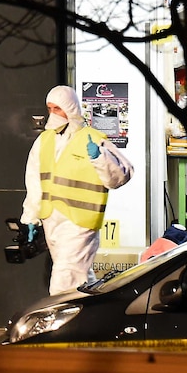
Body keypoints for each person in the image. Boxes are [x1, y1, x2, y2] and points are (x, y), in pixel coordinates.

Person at [20, 85, 134, 295]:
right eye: (50, 108)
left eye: (58, 109)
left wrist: (100, 158)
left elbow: (121, 176)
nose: (53, 114)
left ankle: (60, 324)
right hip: (51, 221)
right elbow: (35, 182)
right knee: (80, 279)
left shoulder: (92, 139)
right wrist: (30, 218)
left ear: (71, 108)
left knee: (65, 281)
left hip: (80, 223)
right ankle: (94, 319)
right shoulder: (44, 141)